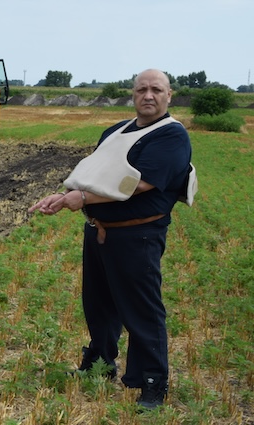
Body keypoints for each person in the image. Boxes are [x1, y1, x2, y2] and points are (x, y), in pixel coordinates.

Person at [28, 69, 193, 410]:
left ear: (169, 95)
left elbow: (135, 184)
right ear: (133, 95)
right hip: (100, 231)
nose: (149, 96)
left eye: (156, 90)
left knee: (141, 310)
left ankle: (152, 382)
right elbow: (95, 176)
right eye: (142, 90)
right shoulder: (116, 131)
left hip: (138, 235)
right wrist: (63, 196)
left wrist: (83, 199)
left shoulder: (171, 136)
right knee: (99, 304)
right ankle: (99, 363)